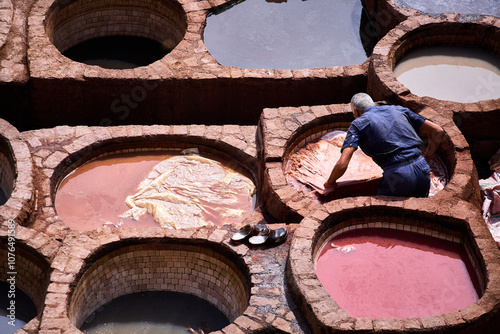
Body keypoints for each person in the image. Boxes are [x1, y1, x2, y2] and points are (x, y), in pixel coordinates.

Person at [323, 93, 444, 197]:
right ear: (373, 104)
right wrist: (426, 158)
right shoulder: (399, 110)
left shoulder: (357, 124)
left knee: (384, 215)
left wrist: (330, 182)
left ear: (356, 111)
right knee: (417, 215)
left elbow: (342, 163)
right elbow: (437, 131)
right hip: (422, 168)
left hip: (398, 174)